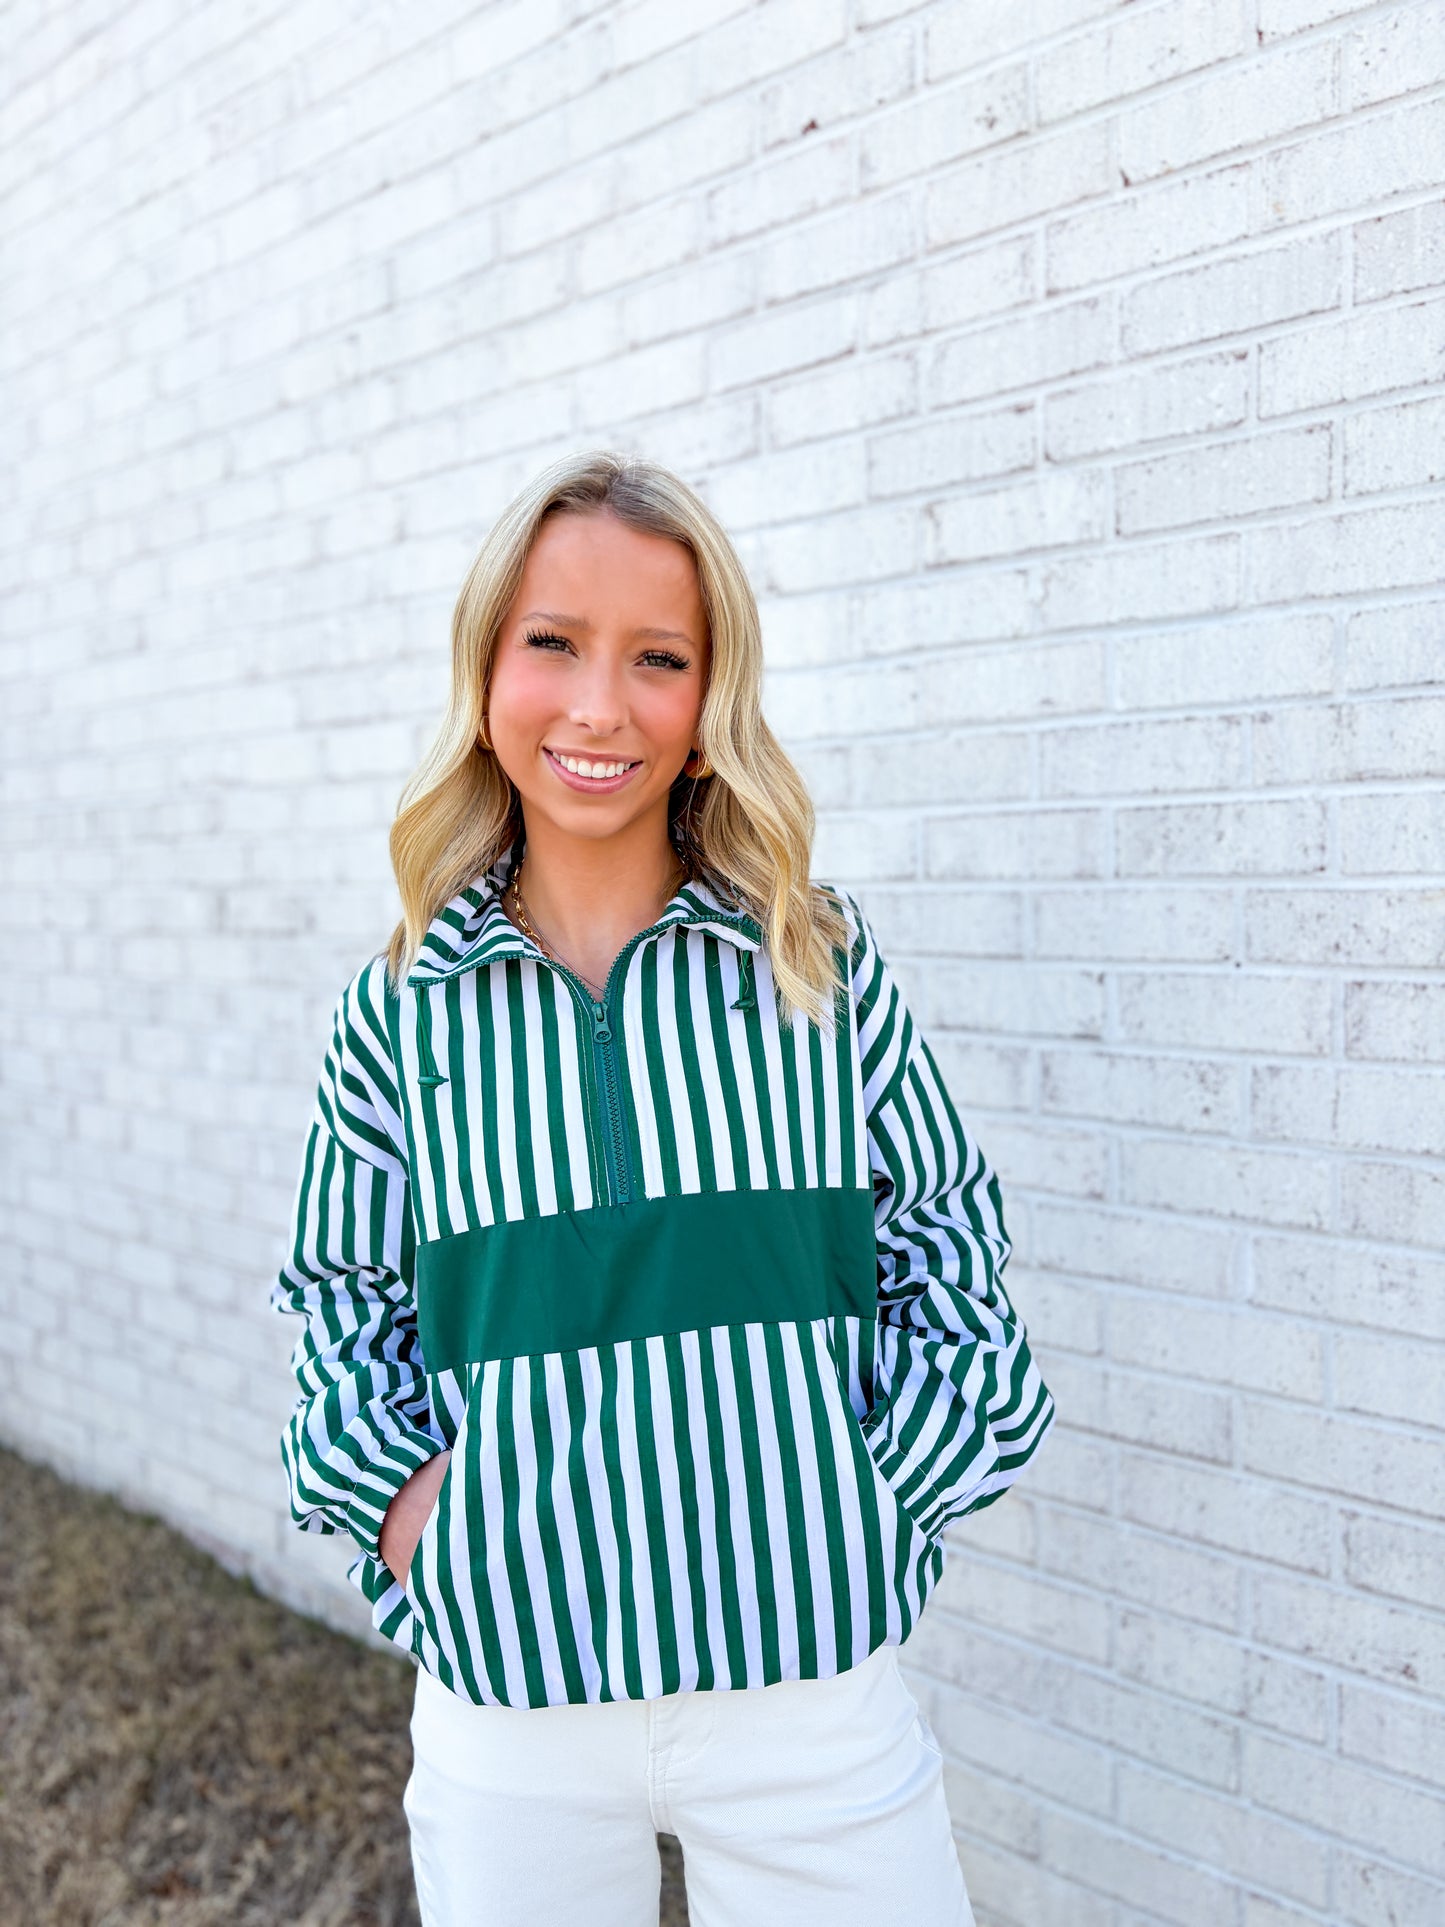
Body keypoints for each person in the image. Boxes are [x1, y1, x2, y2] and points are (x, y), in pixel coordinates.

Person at [270, 449, 1055, 1926]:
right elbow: (339, 1306)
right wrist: (412, 1515)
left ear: (707, 709)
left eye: (657, 659)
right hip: (513, 1713)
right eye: (552, 644)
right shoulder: (398, 1014)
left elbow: (948, 1253)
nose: (596, 705)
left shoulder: (813, 968)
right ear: (486, 672)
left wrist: (871, 1505)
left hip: (811, 1706)